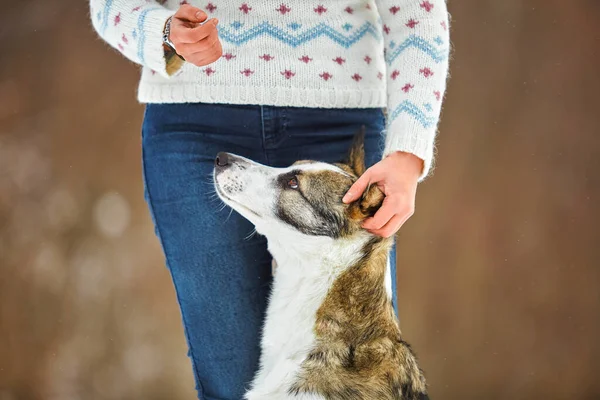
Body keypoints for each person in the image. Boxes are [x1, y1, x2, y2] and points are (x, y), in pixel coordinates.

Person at [90, 0, 450, 398]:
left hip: (340, 132)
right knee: (231, 383)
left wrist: (408, 151)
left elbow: (418, 11)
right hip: (193, 123)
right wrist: (160, 30)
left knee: (363, 379)